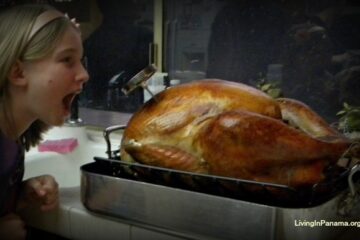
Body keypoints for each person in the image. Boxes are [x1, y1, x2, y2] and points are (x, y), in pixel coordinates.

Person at [0, 4, 89, 239]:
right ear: (18, 72)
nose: (84, 74)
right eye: (67, 60)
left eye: (80, 60)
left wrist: (20, 193)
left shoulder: (12, 140)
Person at [83, 0, 152, 112]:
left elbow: (150, 71)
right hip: (109, 108)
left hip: (131, 104)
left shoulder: (144, 36)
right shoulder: (94, 43)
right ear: (115, 7)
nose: (139, 4)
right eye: (132, 2)